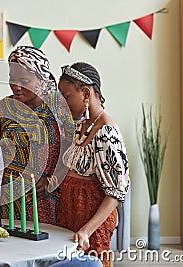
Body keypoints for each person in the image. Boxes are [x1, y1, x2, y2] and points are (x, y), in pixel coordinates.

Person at [0, 46, 72, 224]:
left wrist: (52, 182)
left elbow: (74, 153)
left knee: (51, 246)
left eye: (23, 80)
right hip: (12, 198)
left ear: (41, 78)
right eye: (11, 79)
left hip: (51, 198)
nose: (15, 85)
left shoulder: (60, 108)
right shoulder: (3, 108)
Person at [56, 62, 130, 267]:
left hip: (90, 226)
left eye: (66, 97)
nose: (62, 103)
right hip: (70, 218)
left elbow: (116, 192)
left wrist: (87, 230)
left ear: (86, 93)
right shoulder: (81, 126)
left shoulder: (107, 132)